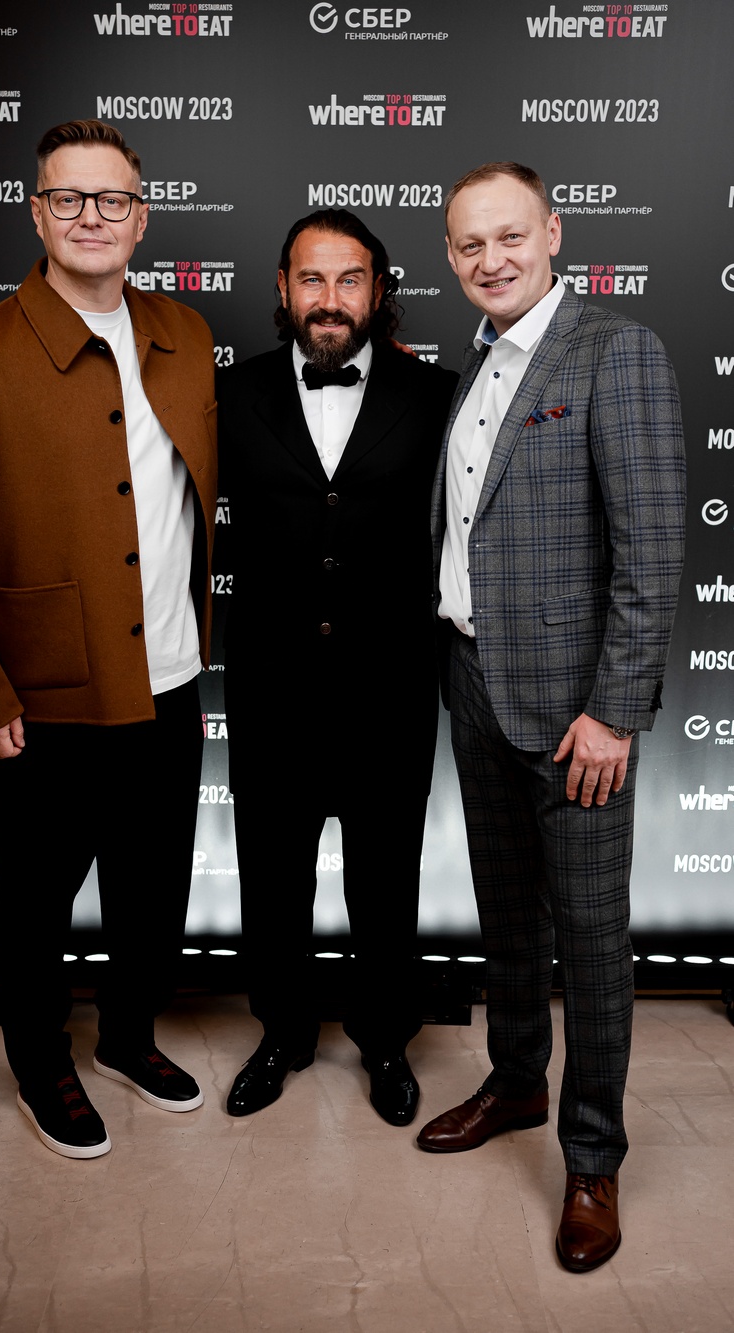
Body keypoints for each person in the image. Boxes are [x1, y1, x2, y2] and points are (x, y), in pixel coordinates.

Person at [0, 120, 218, 1159]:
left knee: (151, 889)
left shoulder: (187, 334)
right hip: (42, 696)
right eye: (70, 198)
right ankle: (41, 1061)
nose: (94, 216)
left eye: (113, 198)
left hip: (170, 677)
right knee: (36, 902)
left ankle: (128, 1036)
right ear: (37, 213)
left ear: (142, 216)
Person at [417, 163, 686, 1270]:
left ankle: (592, 1158)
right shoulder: (476, 364)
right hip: (475, 682)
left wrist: (614, 714)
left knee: (592, 939)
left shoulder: (616, 350)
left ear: (553, 232)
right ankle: (518, 1081)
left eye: (510, 236)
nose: (492, 259)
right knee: (508, 917)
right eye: (469, 244)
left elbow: (651, 552)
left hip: (578, 713)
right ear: (451, 256)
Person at [218, 209, 458, 1126]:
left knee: (386, 879)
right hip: (270, 689)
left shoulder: (437, 395)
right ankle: (282, 1033)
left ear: (378, 290)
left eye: (349, 279)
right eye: (311, 279)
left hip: (390, 690)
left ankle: (386, 1039)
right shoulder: (229, 393)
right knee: (272, 877)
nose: (329, 299)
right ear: (282, 289)